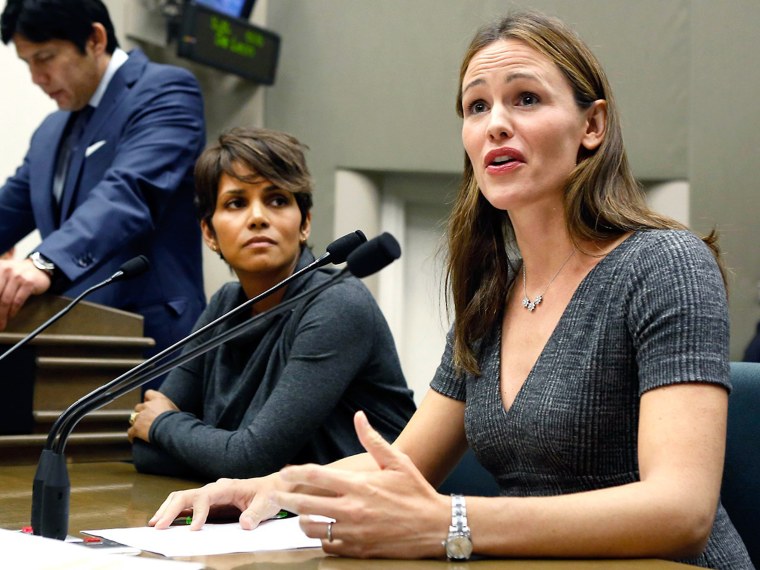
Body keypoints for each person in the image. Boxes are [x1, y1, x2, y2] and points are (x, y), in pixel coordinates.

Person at [146, 12, 753, 569]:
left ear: (591, 126)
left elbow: (682, 513)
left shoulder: (665, 264)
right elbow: (405, 463)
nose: (497, 125)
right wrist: (273, 487)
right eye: (477, 106)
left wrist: (452, 521)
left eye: (527, 99)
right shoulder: (492, 295)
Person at [128, 127, 416, 481]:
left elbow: (248, 461)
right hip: (271, 518)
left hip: (368, 519)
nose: (258, 217)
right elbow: (145, 452)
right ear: (209, 233)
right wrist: (211, 450)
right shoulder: (224, 306)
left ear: (305, 223)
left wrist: (163, 425)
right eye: (236, 203)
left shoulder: (337, 304)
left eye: (277, 199)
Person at [0, 0, 206, 390]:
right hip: (72, 347)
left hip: (151, 346)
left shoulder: (165, 91)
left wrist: (42, 263)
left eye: (45, 57)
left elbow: (127, 195)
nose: (36, 78)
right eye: (27, 63)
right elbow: (9, 207)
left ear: (95, 39)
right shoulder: (50, 130)